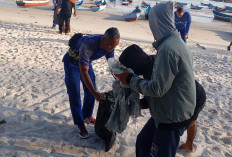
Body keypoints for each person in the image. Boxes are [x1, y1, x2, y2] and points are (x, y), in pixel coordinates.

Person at [115, 2, 196, 157]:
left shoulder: (168, 50)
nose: (151, 27)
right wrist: (143, 102)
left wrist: (129, 78)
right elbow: (165, 85)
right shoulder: (175, 42)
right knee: (143, 142)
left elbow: (157, 89)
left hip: (172, 116)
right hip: (165, 110)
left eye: (151, 22)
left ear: (158, 22)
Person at [119, 44, 206, 152]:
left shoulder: (156, 73)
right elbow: (152, 98)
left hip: (195, 99)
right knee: (143, 140)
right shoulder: (149, 62)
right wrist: (134, 105)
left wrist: (130, 81)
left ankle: (189, 144)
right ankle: (189, 143)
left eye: (128, 70)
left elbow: (156, 95)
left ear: (135, 66)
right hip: (175, 99)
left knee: (190, 122)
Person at [62, 27, 120, 139]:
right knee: (75, 93)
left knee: (91, 91)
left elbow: (112, 64)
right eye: (111, 45)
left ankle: (86, 115)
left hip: (86, 62)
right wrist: (95, 93)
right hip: (72, 63)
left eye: (115, 46)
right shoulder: (88, 45)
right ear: (103, 39)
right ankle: (80, 123)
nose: (112, 48)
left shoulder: (109, 46)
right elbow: (84, 72)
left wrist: (119, 77)